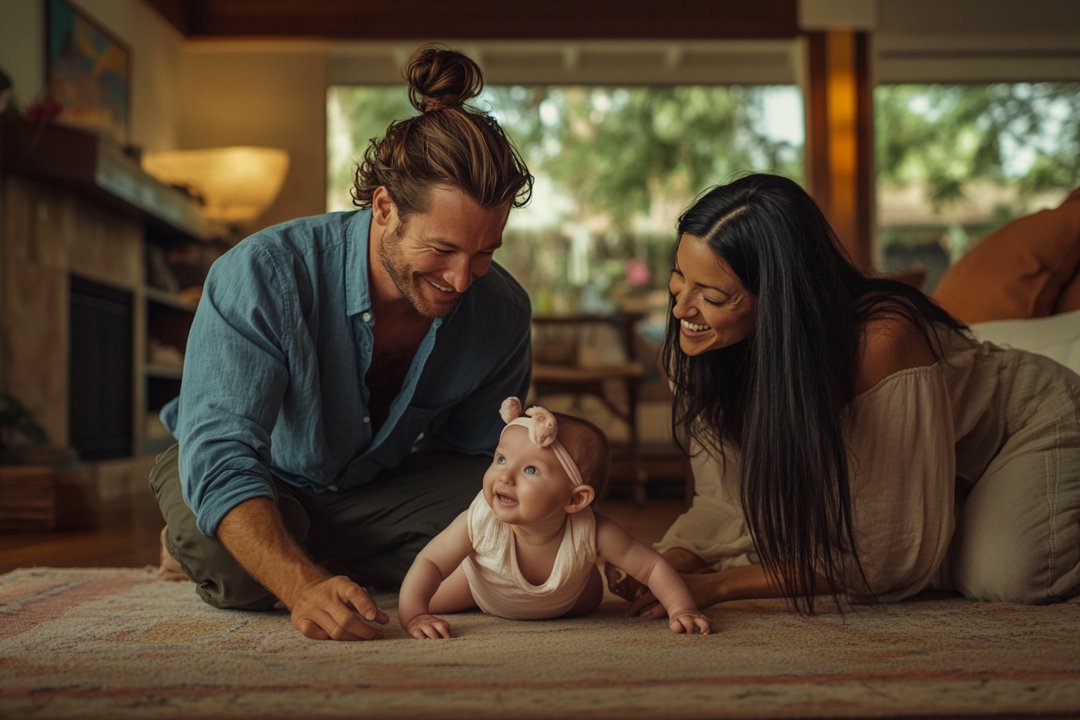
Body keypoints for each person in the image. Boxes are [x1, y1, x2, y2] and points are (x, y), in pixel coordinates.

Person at [149, 44, 536, 641]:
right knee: (238, 566)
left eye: (485, 252)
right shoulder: (260, 274)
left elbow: (477, 468)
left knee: (520, 529)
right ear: (384, 207)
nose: (463, 279)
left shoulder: (502, 312)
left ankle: (314, 547)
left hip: (378, 491)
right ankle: (247, 546)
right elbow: (224, 452)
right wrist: (300, 586)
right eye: (442, 250)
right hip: (261, 473)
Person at [606, 173, 1080, 617]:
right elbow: (725, 503)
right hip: (935, 467)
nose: (682, 307)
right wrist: (668, 561)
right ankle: (942, 522)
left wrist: (718, 586)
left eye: (711, 295)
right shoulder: (694, 349)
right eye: (679, 277)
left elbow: (883, 557)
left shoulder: (880, 341)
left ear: (779, 300)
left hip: (1026, 426)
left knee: (1009, 576)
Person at [397, 397, 712, 638]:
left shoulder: (593, 531)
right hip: (482, 589)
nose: (505, 476)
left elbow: (652, 566)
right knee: (428, 599)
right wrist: (414, 616)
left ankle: (584, 571)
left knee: (591, 594)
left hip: (569, 598)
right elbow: (431, 563)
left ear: (576, 499)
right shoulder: (480, 520)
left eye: (530, 470)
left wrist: (681, 608)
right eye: (501, 458)